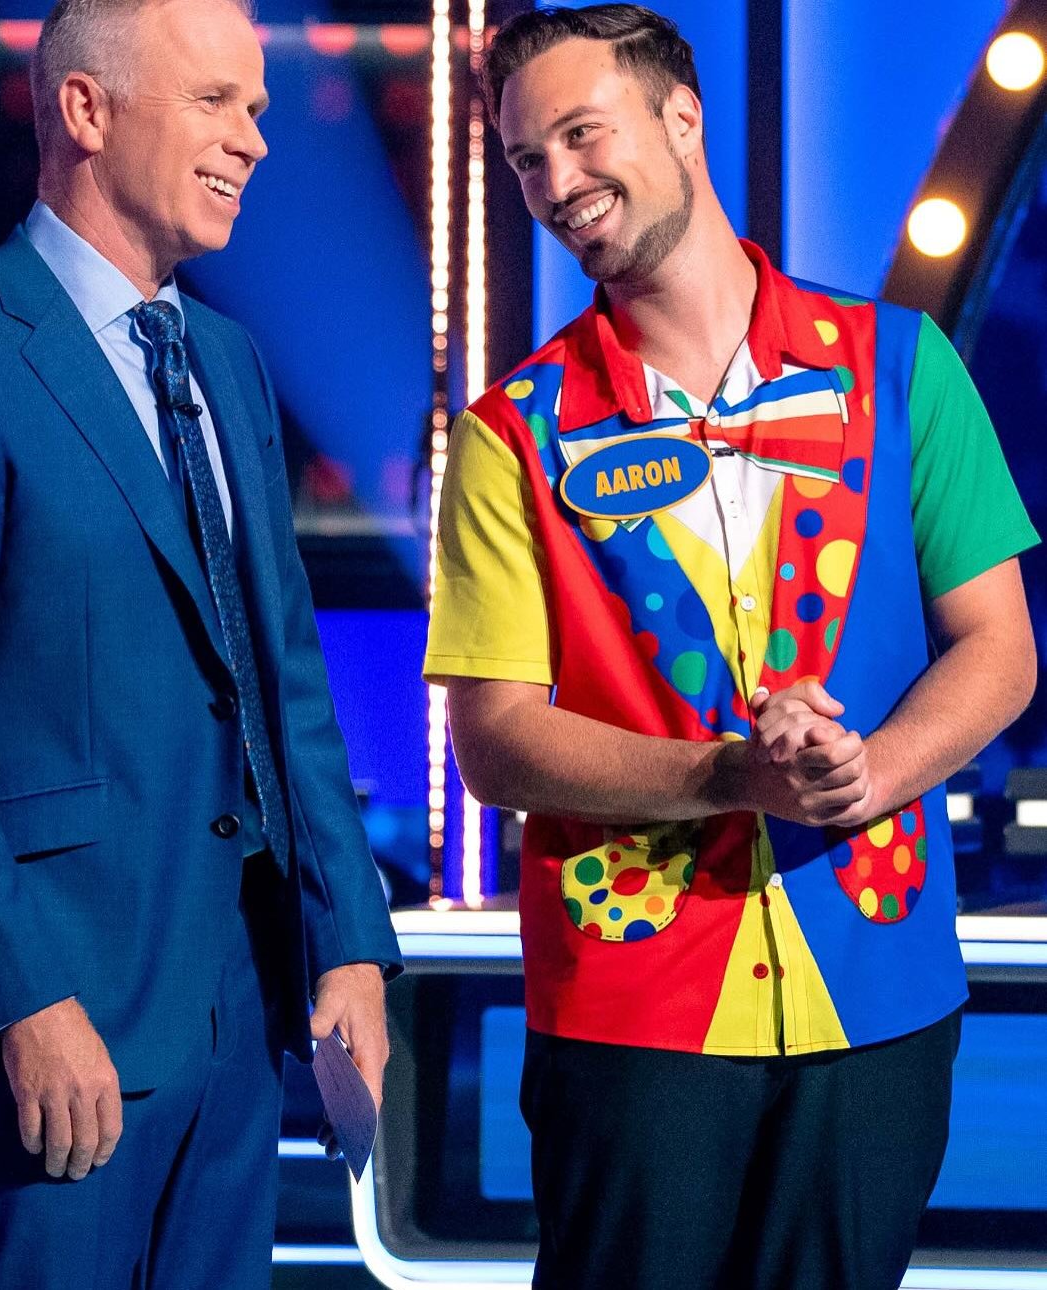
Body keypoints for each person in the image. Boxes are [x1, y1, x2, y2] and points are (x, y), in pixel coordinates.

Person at [424, 6, 1038, 1288]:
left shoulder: (901, 369)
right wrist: (725, 779)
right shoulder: (509, 435)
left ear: (683, 120)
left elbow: (998, 649)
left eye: (584, 135)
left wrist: (867, 773)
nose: (560, 185)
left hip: (872, 988)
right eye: (530, 161)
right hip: (629, 1006)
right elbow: (493, 738)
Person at [0, 0, 401, 1283]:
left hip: (231, 1019)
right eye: (215, 103)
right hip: (53, 1025)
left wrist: (346, 934)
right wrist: (20, 994)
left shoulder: (230, 366)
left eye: (256, 108)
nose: (252, 140)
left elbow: (284, 676)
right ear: (86, 111)